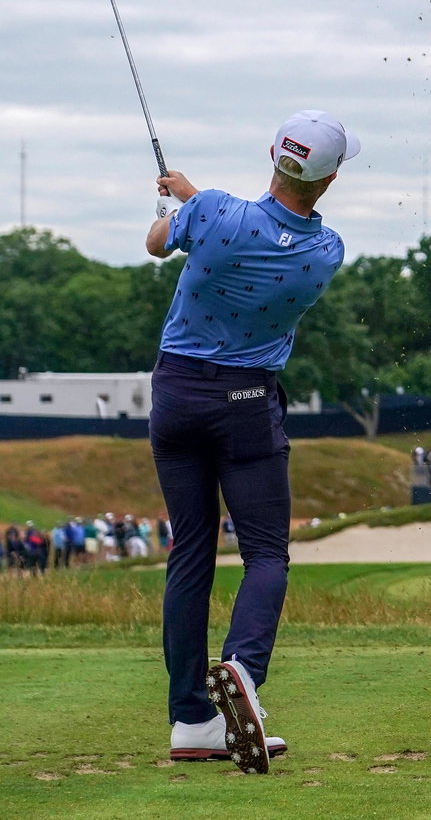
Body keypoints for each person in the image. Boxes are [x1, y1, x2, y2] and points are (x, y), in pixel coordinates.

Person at [146, 110, 358, 774]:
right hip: (244, 401)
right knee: (265, 551)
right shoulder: (325, 252)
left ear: (274, 152)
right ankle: (242, 669)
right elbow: (256, 229)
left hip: (175, 393)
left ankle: (191, 718)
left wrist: (173, 203)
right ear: (329, 178)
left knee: (191, 551)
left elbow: (159, 243)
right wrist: (193, 198)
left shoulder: (210, 212)